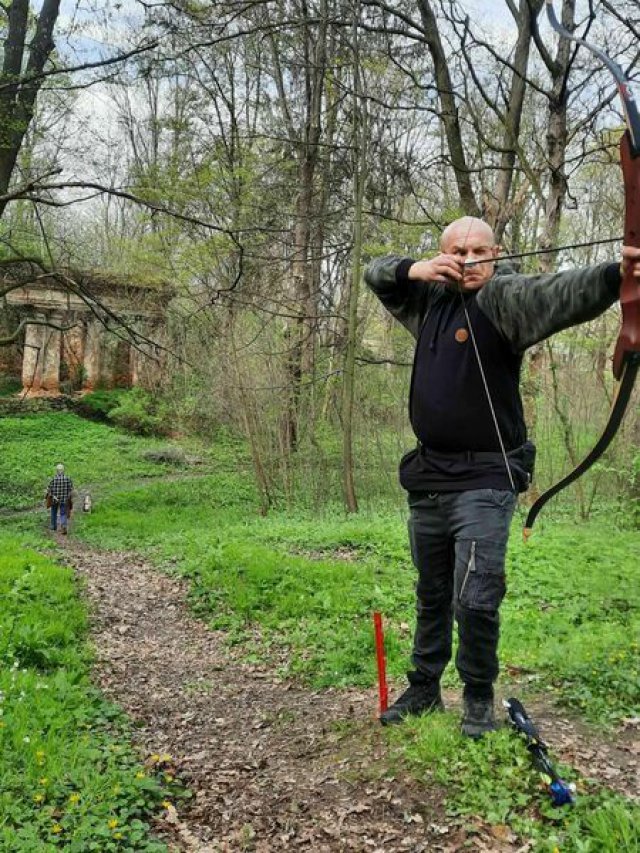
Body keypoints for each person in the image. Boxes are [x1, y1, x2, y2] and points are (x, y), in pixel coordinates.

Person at [365, 217, 640, 737]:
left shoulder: (504, 299)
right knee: (433, 590)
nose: (468, 259)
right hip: (429, 478)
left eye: (479, 251)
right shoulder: (426, 302)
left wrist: (616, 275)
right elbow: (375, 274)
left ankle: (476, 698)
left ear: (494, 255)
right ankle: (424, 688)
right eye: (458, 251)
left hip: (486, 479)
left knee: (476, 595)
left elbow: (561, 291)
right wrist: (417, 269)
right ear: (443, 254)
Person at [45, 463, 74, 535]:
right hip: (64, 499)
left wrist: (53, 496)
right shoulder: (68, 479)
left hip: (55, 499)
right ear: (63, 470)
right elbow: (71, 489)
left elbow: (48, 490)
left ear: (57, 471)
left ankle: (53, 526)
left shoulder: (53, 479)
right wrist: (68, 496)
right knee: (63, 513)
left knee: (53, 512)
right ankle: (63, 526)